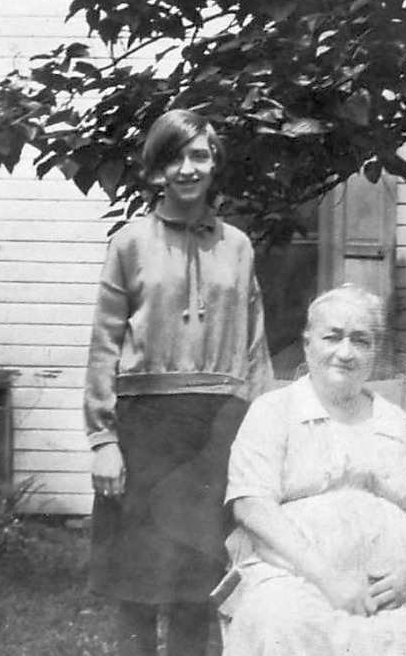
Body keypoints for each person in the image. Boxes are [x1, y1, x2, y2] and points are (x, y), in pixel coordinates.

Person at [218, 284, 406, 656]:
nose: (346, 352)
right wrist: (327, 578)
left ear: (374, 352)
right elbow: (252, 505)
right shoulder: (274, 410)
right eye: (332, 337)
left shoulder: (397, 423)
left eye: (360, 340)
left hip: (396, 594)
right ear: (307, 344)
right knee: (278, 619)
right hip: (296, 579)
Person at [84, 108, 274, 656]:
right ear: (155, 170)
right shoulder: (129, 243)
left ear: (214, 163)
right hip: (144, 429)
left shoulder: (238, 245)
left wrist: (264, 436)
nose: (188, 169)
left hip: (218, 430)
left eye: (199, 155)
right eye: (174, 158)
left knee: (199, 591)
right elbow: (104, 343)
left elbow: (255, 346)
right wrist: (103, 440)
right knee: (137, 590)